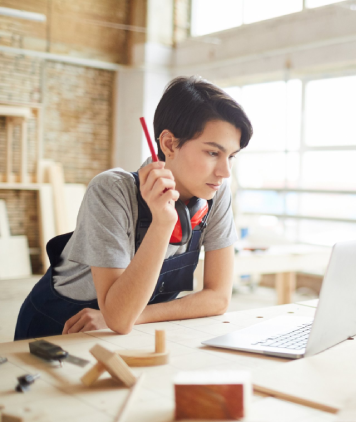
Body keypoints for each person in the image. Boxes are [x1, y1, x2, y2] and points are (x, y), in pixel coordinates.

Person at [14, 76, 252, 339]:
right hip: (57, 326)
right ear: (169, 144)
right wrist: (162, 223)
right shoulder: (111, 191)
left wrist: (139, 316)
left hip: (124, 325)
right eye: (212, 153)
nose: (224, 172)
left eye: (231, 156)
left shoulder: (214, 194)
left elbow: (218, 298)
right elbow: (119, 316)